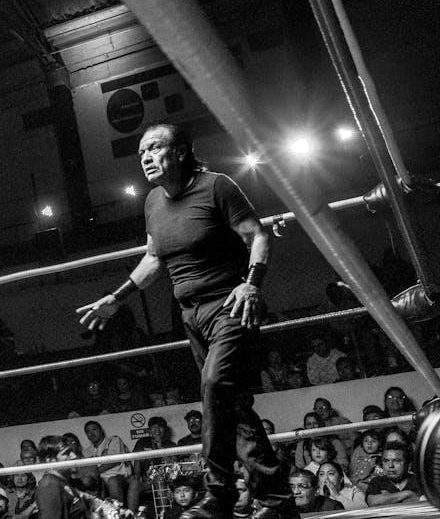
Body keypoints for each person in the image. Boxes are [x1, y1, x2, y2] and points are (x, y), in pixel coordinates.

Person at [76, 124, 290, 519]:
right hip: (190, 315)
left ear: (180, 152)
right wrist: (116, 298)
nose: (145, 157)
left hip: (229, 304)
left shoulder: (216, 186)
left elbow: (257, 235)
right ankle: (278, 502)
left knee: (214, 386)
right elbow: (154, 258)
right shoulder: (153, 202)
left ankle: (218, 495)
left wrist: (251, 284)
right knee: (233, 407)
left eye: (154, 148)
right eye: (141, 151)